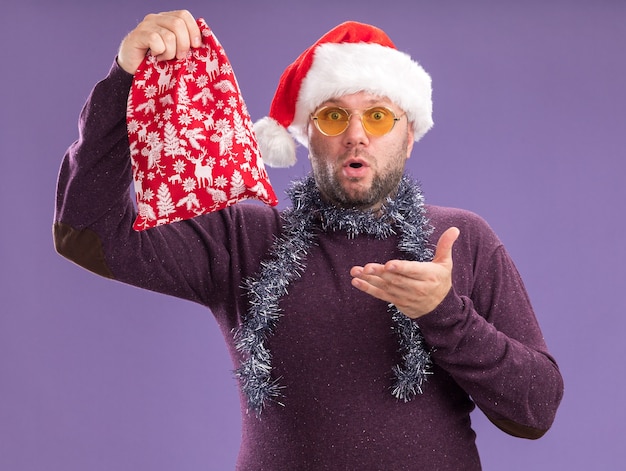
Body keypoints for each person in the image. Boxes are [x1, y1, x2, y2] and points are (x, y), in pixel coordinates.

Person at [53, 10, 563, 470]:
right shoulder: (242, 238)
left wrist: (444, 312)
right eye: (334, 115)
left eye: (379, 116)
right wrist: (125, 78)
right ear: (306, 134)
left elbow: (534, 411)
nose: (357, 134)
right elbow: (87, 230)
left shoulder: (461, 239)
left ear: (408, 136)